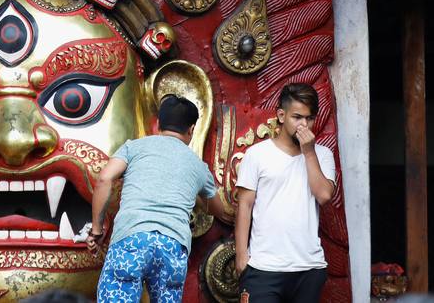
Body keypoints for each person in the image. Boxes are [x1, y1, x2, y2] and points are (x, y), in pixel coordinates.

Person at [89, 95, 232, 303]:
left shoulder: (134, 148)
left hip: (132, 239)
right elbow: (217, 209)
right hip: (172, 245)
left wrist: (96, 229)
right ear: (191, 130)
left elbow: (104, 179)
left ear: (158, 124)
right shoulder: (197, 165)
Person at [234, 83, 337, 303]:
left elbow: (324, 196)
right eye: (297, 117)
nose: (304, 125)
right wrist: (242, 256)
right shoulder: (257, 154)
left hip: (308, 267)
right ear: (281, 115)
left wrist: (308, 152)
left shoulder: (322, 154)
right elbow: (245, 205)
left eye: (309, 118)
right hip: (263, 267)